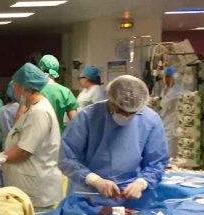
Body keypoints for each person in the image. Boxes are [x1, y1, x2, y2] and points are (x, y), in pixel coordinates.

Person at [60, 75, 169, 206]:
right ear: (110, 100)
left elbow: (157, 161)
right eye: (121, 111)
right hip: (88, 196)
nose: (126, 116)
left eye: (132, 113)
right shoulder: (88, 117)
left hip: (131, 197)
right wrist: (94, 180)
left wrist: (142, 182)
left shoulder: (150, 119)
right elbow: (66, 157)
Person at [1, 63, 63, 212]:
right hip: (30, 184)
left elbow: (24, 151)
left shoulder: (39, 112)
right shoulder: (33, 110)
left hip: (36, 188)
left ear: (25, 88)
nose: (13, 91)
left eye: (15, 86)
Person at [36, 55, 78, 132]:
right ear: (57, 69)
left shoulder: (34, 90)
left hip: (37, 139)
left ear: (40, 69)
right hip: (58, 138)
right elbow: (76, 122)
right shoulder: (65, 92)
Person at [158, 67, 183, 156]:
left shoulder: (179, 90)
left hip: (173, 123)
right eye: (165, 77)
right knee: (163, 146)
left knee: (171, 147)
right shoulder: (163, 90)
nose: (167, 79)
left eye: (169, 76)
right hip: (164, 122)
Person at [0, 82, 20, 150]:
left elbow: (2, 132)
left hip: (7, 146)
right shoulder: (27, 109)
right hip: (22, 147)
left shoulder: (3, 110)